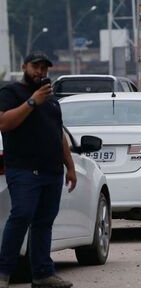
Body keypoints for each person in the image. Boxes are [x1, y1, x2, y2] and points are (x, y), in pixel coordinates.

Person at [0, 54, 76, 288]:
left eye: (43, 68)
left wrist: (70, 167)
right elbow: (5, 123)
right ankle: (3, 272)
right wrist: (32, 101)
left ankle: (43, 274)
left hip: (51, 172)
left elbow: (58, 134)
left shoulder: (51, 100)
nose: (40, 72)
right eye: (35, 67)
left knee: (44, 222)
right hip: (24, 169)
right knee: (22, 215)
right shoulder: (11, 93)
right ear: (24, 67)